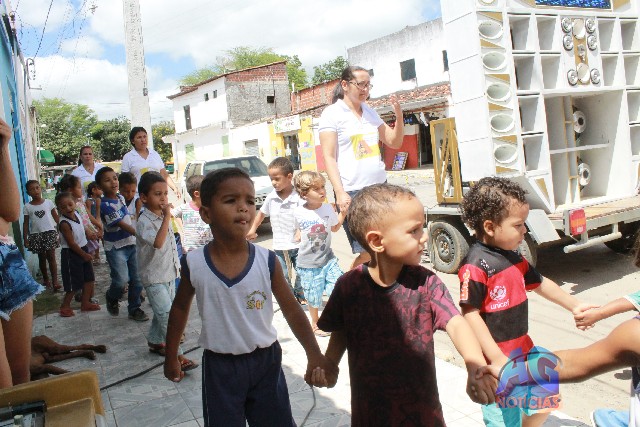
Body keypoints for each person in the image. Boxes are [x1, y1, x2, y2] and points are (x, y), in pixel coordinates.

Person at [309, 183, 497, 425]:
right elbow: (342, 331)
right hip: (370, 414)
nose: (425, 236)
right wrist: (330, 365)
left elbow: (456, 323)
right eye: (414, 231)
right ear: (377, 241)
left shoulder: (426, 282)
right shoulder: (349, 286)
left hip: (422, 414)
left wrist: (475, 365)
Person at [163, 167, 337, 426]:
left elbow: (291, 310)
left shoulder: (267, 261)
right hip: (220, 367)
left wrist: (314, 354)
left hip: (266, 362)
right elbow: (179, 309)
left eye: (249, 200)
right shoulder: (194, 263)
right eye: (230, 200)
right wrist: (171, 356)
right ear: (206, 214)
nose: (243, 207)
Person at [457, 177, 594, 427]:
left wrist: (574, 305)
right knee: (504, 420)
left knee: (546, 401)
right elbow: (470, 313)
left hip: (524, 353)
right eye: (518, 225)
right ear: (490, 227)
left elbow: (540, 283)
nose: (524, 231)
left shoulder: (514, 258)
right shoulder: (475, 265)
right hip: (495, 364)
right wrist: (496, 358)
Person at [319, 65, 404, 269]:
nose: (365, 89)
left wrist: (399, 117)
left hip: (381, 189)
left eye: (368, 85)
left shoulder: (370, 112)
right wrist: (340, 193)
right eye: (361, 84)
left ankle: (377, 285)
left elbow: (394, 142)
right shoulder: (332, 114)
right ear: (345, 85)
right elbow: (328, 157)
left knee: (384, 245)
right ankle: (348, 284)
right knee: (366, 250)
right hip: (353, 191)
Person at [136, 172, 198, 370]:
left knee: (163, 311)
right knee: (168, 316)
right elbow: (158, 243)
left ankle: (155, 341)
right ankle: (178, 356)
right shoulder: (144, 221)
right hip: (153, 277)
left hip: (170, 272)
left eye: (165, 194)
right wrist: (166, 218)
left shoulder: (163, 216)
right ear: (144, 198)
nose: (163, 198)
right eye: (157, 194)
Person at [0, 117, 44, 388]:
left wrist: (3, 147)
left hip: (7, 261)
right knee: (4, 385)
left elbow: (11, 212)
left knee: (20, 373)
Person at [292, 171, 345, 336]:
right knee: (313, 296)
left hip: (328, 258)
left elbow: (334, 228)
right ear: (304, 194)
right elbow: (297, 228)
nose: (322, 191)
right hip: (308, 264)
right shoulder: (298, 212)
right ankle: (315, 323)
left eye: (323, 186)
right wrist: (298, 233)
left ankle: (335, 318)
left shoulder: (328, 208)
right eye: (316, 189)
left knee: (338, 287)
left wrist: (343, 213)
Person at [246, 157, 306, 304]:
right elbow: (261, 214)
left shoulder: (298, 197)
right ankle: (290, 297)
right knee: (283, 274)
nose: (273, 182)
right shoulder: (271, 197)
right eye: (271, 179)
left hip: (299, 244)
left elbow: (306, 214)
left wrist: (301, 230)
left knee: (303, 271)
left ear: (289, 177)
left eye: (277, 179)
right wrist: (252, 229)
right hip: (280, 245)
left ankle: (300, 292)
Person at [95, 166, 148, 322]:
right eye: (107, 180)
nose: (113, 182)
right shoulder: (104, 205)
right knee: (121, 280)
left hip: (131, 244)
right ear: (99, 186)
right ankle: (112, 296)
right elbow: (121, 224)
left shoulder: (121, 198)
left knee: (137, 279)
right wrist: (139, 235)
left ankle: (134, 308)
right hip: (116, 248)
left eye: (115, 178)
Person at [54, 192, 100, 317]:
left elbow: (82, 228)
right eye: (63, 207)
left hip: (83, 248)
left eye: (70, 204)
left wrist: (90, 234)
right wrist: (84, 255)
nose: (68, 208)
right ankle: (65, 306)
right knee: (74, 282)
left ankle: (85, 303)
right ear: (59, 209)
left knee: (89, 278)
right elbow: (71, 243)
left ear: (74, 203)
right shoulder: (64, 223)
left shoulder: (77, 214)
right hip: (71, 254)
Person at [121, 127, 180, 198]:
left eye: (144, 136)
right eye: (139, 137)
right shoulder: (128, 157)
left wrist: (174, 188)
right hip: (138, 197)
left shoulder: (154, 154)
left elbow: (164, 173)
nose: (143, 140)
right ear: (133, 141)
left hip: (157, 196)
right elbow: (124, 180)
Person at [23, 180, 60, 291]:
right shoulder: (27, 206)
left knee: (51, 257)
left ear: (40, 188)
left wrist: (62, 230)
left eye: (37, 188)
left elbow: (56, 218)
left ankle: (55, 281)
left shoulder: (48, 203)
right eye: (32, 189)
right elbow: (25, 223)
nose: (35, 191)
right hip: (36, 235)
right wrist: (25, 238)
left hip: (50, 232)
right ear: (28, 193)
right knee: (42, 258)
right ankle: (46, 279)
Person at [171, 174, 212, 254]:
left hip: (209, 252)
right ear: (197, 194)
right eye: (208, 191)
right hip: (190, 253)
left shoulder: (212, 209)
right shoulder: (184, 208)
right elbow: (168, 215)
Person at [85, 182, 103, 262]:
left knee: (103, 238)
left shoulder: (101, 199)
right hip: (93, 222)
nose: (102, 191)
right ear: (93, 190)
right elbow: (88, 213)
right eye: (100, 189)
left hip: (100, 221)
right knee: (95, 239)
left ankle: (106, 254)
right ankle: (96, 255)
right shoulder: (89, 201)